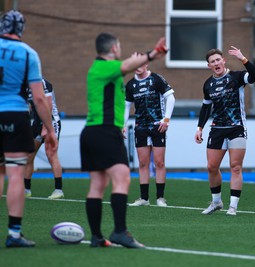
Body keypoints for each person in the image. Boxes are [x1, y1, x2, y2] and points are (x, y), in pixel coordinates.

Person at [80, 32, 168, 248]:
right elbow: (127, 66)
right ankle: (119, 232)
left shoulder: (102, 69)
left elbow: (128, 65)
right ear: (113, 48)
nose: (120, 49)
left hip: (93, 132)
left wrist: (147, 57)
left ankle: (97, 237)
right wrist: (154, 53)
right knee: (122, 178)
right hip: (104, 131)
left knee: (98, 184)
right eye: (118, 45)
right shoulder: (103, 66)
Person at [0, 10, 58, 248]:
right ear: (21, 30)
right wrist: (50, 128)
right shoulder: (29, 54)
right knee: (14, 174)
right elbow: (39, 98)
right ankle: (14, 234)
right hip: (15, 114)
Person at [194, 46, 255, 216]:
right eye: (212, 62)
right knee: (211, 167)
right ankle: (216, 202)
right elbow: (205, 107)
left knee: (235, 166)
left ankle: (233, 206)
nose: (216, 63)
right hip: (217, 128)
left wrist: (243, 58)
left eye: (218, 60)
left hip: (236, 127)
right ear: (209, 66)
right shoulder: (208, 84)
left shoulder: (237, 77)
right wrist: (199, 128)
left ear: (223, 61)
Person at [124, 60, 175, 207]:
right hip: (140, 127)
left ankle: (160, 198)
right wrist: (123, 124)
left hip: (157, 126)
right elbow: (127, 107)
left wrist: (166, 120)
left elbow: (170, 98)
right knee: (142, 163)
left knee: (159, 162)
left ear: (147, 65)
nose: (138, 67)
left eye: (142, 64)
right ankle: (144, 198)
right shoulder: (130, 85)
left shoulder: (156, 79)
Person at [24, 79, 64, 199]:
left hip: (50, 121)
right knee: (29, 155)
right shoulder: (25, 85)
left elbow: (48, 105)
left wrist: (46, 128)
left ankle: (58, 190)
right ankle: (26, 189)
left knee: (51, 154)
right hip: (36, 122)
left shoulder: (43, 83)